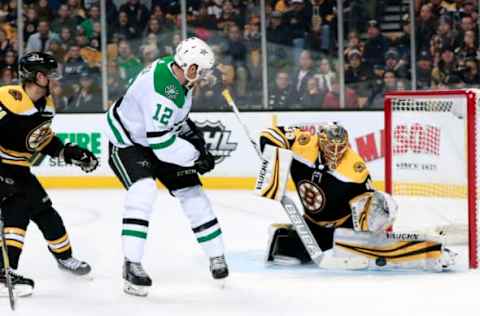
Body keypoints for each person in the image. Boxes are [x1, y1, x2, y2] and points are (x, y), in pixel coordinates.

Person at [105, 37, 229, 297]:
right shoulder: (163, 91)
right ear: (190, 67)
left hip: (156, 136)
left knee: (193, 192)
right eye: (202, 70)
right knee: (143, 190)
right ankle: (131, 264)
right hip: (128, 140)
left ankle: (217, 256)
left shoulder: (174, 69)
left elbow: (174, 120)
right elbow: (161, 145)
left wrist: (194, 137)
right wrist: (196, 156)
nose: (205, 76)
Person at [259, 122, 456, 271]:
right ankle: (281, 234)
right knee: (293, 255)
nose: (335, 152)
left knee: (363, 252)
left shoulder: (355, 168)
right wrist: (271, 160)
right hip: (312, 224)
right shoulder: (303, 143)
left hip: (343, 225)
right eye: (330, 146)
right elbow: (269, 134)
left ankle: (429, 250)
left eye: (340, 147)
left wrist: (372, 225)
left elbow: (372, 203)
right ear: (320, 142)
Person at [0, 52, 98, 296]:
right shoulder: (7, 98)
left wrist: (69, 153)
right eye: (50, 75)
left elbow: (41, 141)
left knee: (45, 211)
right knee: (17, 208)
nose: (55, 80)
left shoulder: (47, 105)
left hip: (19, 168)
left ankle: (64, 258)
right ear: (37, 76)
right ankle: (5, 271)